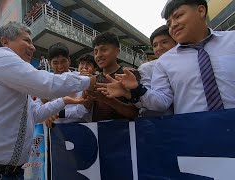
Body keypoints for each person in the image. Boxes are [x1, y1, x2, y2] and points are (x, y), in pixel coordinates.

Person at [0, 21, 96, 180]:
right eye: (27, 41)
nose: (33, 47)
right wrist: (88, 80)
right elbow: (45, 84)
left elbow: (35, 114)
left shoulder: (14, 78)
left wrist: (64, 101)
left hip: (4, 173)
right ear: (5, 42)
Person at [96, 0, 235, 114]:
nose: (173, 25)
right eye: (169, 23)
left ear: (201, 11)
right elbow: (161, 102)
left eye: (178, 16)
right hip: (194, 135)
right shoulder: (165, 62)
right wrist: (136, 90)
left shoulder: (232, 41)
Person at [34, 43, 92, 128]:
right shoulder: (46, 82)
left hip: (79, 129)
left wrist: (58, 114)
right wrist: (46, 115)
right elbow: (38, 106)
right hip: (54, 131)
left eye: (63, 61)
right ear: (50, 64)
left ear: (69, 60)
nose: (60, 66)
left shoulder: (81, 78)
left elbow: (84, 108)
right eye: (55, 63)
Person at [86, 32, 139, 122]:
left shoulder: (129, 74)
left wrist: (108, 100)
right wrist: (86, 90)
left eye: (104, 50)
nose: (98, 55)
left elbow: (135, 112)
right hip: (99, 132)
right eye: (95, 52)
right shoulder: (94, 79)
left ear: (117, 51)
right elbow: (87, 107)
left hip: (126, 132)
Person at [138, 25, 176, 117]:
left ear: (176, 42)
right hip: (159, 123)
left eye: (164, 42)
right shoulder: (146, 68)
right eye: (155, 45)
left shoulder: (188, 63)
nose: (159, 48)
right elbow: (143, 103)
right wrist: (136, 89)